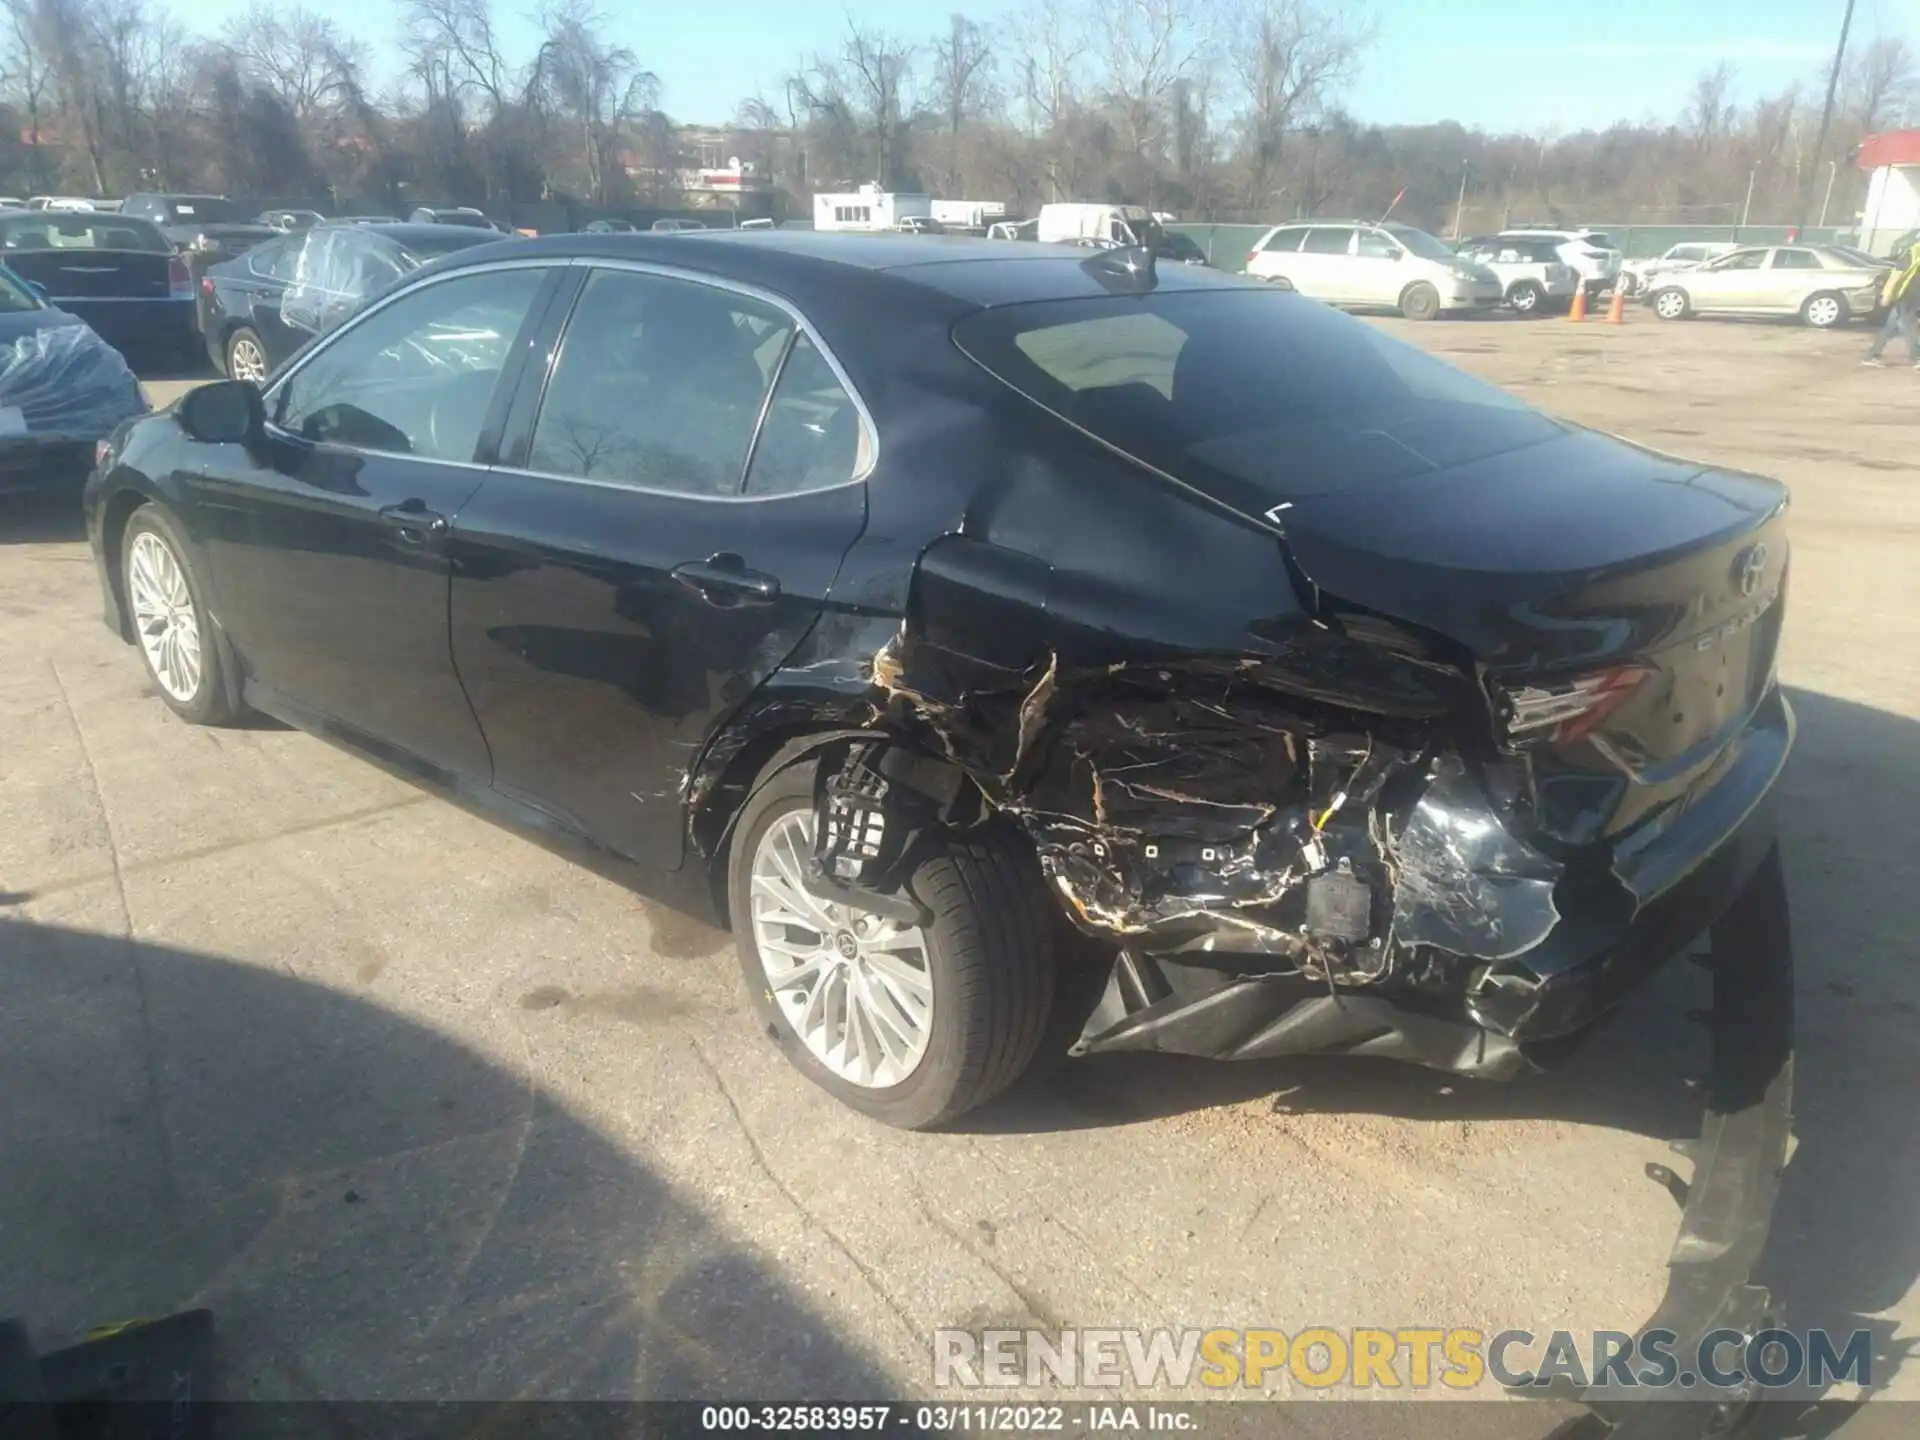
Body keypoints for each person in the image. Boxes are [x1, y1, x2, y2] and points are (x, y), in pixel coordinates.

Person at [1863, 243, 1920, 367]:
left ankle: (1872, 355)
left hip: (1915, 297)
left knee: (1891, 327)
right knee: (1907, 325)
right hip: (1906, 295)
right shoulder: (1913, 252)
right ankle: (1917, 356)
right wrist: (1887, 294)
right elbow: (1897, 273)